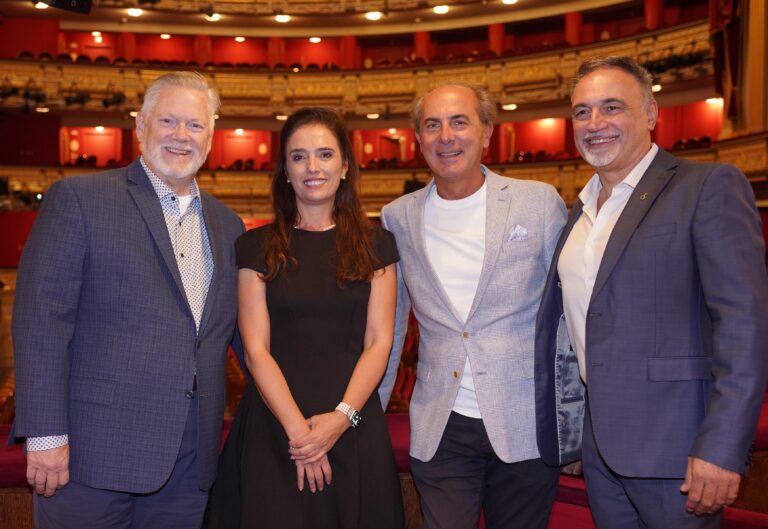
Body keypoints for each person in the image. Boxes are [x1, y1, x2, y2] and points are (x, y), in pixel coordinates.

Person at [534, 56, 768, 529]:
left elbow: (744, 324)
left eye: (611, 107)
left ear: (651, 114)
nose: (594, 124)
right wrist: (577, 435)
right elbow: (577, 332)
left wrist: (721, 448)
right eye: (582, 112)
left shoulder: (706, 187)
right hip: (602, 452)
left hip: (679, 451)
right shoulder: (576, 215)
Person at [11, 72, 244, 528]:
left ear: (212, 137)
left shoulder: (227, 225)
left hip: (188, 462)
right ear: (140, 127)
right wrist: (44, 433)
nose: (181, 136)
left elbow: (233, 336)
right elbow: (42, 322)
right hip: (89, 456)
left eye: (195, 126)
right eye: (168, 121)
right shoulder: (80, 199)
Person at [378, 83, 567, 529]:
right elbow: (389, 326)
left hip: (525, 422)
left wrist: (574, 425)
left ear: (486, 133)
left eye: (460, 121)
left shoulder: (538, 203)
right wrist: (373, 410)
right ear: (418, 139)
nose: (446, 136)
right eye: (432, 125)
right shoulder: (396, 217)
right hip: (441, 423)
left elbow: (567, 318)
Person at [207, 107, 404, 529]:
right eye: (298, 157)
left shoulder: (378, 246)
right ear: (284, 171)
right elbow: (256, 351)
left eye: (325, 154)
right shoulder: (254, 247)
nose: (312, 167)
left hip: (353, 427)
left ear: (345, 166)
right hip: (274, 428)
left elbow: (380, 342)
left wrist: (339, 420)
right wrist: (302, 436)